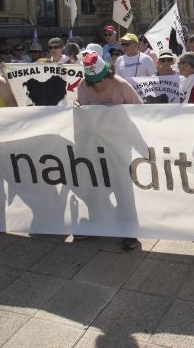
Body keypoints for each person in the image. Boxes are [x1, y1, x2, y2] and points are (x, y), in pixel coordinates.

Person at [75, 51, 142, 250]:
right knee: (93, 186)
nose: (97, 85)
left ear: (108, 74)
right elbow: (82, 114)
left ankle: (129, 230)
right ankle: (97, 224)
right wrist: (78, 107)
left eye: (100, 80)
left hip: (119, 146)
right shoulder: (82, 86)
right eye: (92, 81)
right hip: (92, 145)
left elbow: (140, 112)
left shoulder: (121, 85)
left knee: (123, 188)